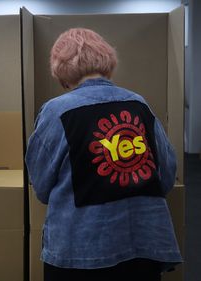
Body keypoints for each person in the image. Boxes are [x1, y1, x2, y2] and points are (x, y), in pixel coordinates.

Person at [25, 28, 182, 281]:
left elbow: (41, 186)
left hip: (80, 251)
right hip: (143, 245)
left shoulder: (56, 112)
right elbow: (166, 176)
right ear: (107, 61)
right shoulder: (138, 104)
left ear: (62, 72)